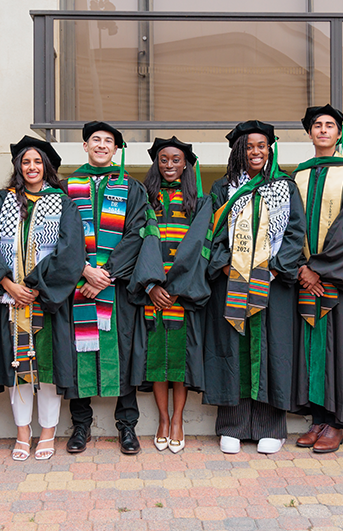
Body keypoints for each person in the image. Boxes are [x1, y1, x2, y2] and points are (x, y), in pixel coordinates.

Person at [0, 135, 84, 461]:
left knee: (47, 369)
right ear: (18, 167)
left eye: (37, 161)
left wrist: (35, 287)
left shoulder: (63, 203)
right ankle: (23, 432)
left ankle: (48, 432)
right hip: (9, 301)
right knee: (18, 367)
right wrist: (7, 284)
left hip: (46, 300)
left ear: (46, 166)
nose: (32, 167)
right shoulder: (0, 201)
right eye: (26, 162)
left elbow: (70, 252)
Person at [204, 120, 305, 455]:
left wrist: (275, 269)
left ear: (270, 149)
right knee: (234, 347)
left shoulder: (284, 186)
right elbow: (212, 233)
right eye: (249, 146)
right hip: (232, 281)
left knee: (270, 350)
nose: (256, 152)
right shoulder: (224, 188)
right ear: (239, 151)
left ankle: (270, 428)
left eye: (262, 145)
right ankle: (232, 425)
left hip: (273, 284)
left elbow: (295, 232)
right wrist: (227, 264)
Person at [64, 121, 162, 455]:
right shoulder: (67, 187)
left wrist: (105, 273)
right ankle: (80, 427)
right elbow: (59, 236)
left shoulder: (131, 188)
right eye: (96, 140)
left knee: (124, 351)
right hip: (78, 287)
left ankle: (127, 427)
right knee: (80, 352)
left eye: (108, 141)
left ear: (116, 149)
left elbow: (138, 233)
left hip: (117, 288)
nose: (102, 145)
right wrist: (83, 271)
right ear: (85, 146)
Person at [290, 104, 343, 454]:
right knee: (310, 350)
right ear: (310, 133)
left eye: (329, 126)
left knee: (338, 350)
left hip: (336, 280)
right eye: (317, 126)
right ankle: (318, 420)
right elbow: (287, 226)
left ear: (340, 133)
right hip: (304, 278)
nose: (323, 130)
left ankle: (336, 423)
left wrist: (318, 268)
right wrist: (298, 267)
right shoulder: (299, 175)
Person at [139, 137, 213, 454]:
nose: (170, 165)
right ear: (157, 163)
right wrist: (150, 285)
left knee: (179, 362)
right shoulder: (144, 199)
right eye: (164, 159)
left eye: (176, 160)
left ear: (186, 165)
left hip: (183, 292)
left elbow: (199, 248)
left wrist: (176, 286)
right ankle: (163, 419)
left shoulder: (199, 201)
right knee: (157, 361)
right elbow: (139, 245)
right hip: (153, 292)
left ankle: (179, 420)